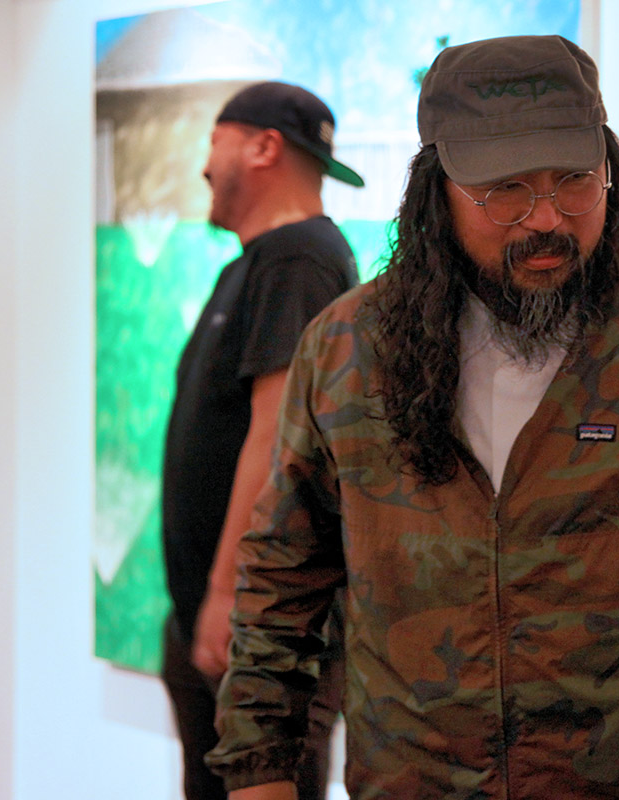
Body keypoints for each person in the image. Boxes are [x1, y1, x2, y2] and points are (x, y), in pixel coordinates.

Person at [204, 35, 619, 799]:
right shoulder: (347, 350)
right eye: (506, 190)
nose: (547, 219)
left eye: (576, 181)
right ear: (437, 191)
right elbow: (280, 591)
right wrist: (259, 776)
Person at [160, 81, 362, 800]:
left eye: (214, 142)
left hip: (262, 630)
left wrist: (228, 594)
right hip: (228, 621)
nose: (205, 165)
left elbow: (280, 437)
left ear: (263, 147)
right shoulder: (258, 263)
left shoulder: (297, 260)